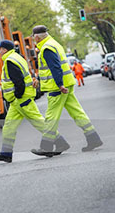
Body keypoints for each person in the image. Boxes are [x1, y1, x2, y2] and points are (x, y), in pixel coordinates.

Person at [0, 40, 70, 163]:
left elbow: (19, 81)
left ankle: (61, 142)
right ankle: (6, 153)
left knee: (38, 122)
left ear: (4, 49)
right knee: (9, 126)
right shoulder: (17, 57)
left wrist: (17, 95)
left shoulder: (10, 61)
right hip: (17, 101)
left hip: (21, 99)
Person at [30, 25, 103, 155]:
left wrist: (59, 84)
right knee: (77, 112)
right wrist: (39, 79)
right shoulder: (54, 44)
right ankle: (93, 138)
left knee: (51, 117)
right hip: (66, 83)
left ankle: (46, 146)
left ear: (36, 37)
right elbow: (53, 67)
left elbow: (55, 67)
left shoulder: (46, 48)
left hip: (57, 87)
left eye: (33, 38)